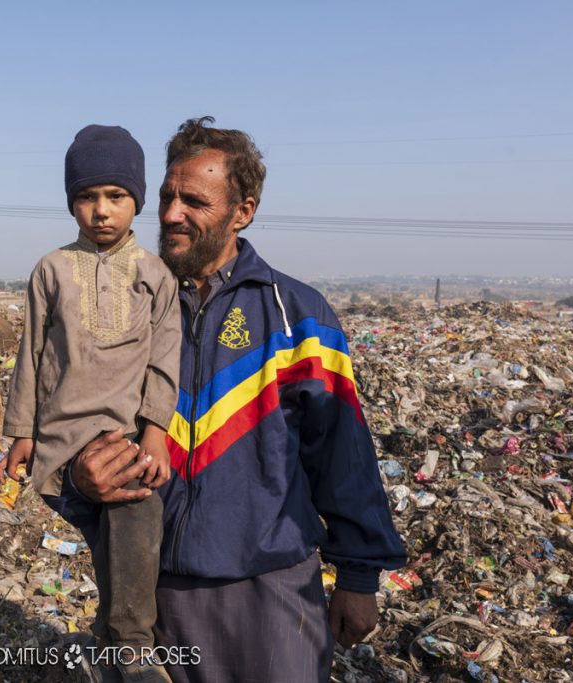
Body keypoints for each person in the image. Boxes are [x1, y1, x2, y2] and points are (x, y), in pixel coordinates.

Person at [61, 117, 407, 682]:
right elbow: (70, 434)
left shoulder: (298, 316)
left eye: (194, 201)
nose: (172, 214)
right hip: (145, 595)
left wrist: (359, 577)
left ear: (242, 212)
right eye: (168, 197)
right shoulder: (121, 312)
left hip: (271, 592)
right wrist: (79, 481)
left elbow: (344, 457)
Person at [0, 124, 180, 682]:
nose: (102, 211)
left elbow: (163, 360)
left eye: (116, 196)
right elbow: (30, 352)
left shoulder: (155, 275)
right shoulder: (51, 269)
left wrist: (155, 432)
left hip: (124, 431)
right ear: (72, 203)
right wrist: (21, 432)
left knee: (128, 521)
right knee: (116, 527)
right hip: (61, 432)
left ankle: (119, 639)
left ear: (137, 203)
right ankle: (130, 644)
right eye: (87, 197)